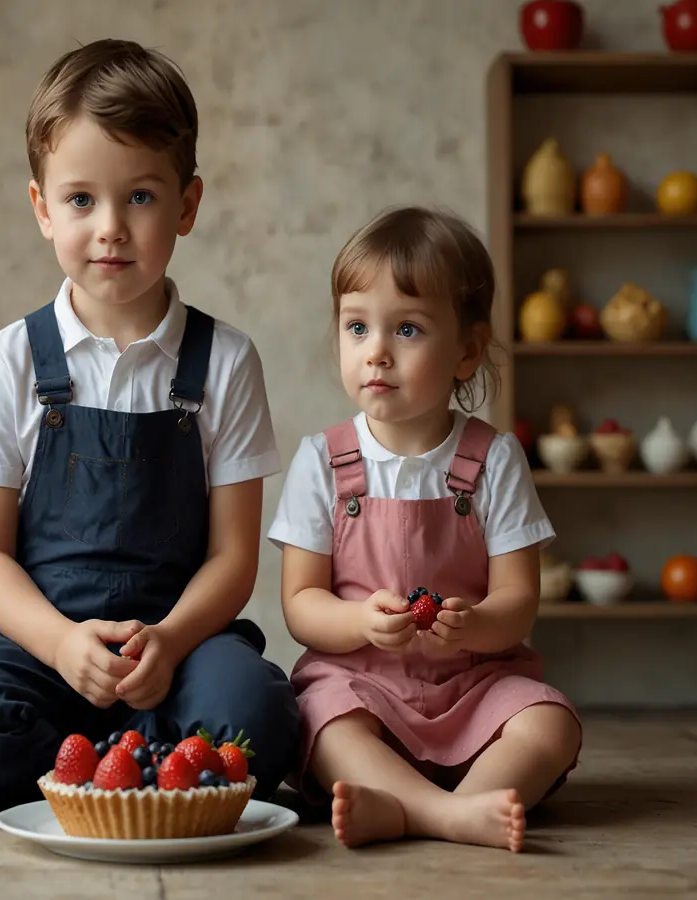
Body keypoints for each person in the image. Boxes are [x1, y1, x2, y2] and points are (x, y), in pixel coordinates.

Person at [0, 38, 300, 821]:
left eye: (141, 197)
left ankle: (113, 763)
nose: (110, 227)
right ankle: (133, 771)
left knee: (260, 721)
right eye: (81, 199)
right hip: (37, 642)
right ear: (42, 207)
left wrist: (175, 641)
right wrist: (57, 645)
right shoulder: (10, 359)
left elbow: (234, 557)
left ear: (187, 204)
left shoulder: (225, 361)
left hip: (177, 641)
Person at [267, 206, 582, 851]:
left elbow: (519, 600)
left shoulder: (494, 460)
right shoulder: (322, 461)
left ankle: (415, 809)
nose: (376, 352)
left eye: (407, 329)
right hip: (363, 686)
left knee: (552, 724)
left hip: (474, 684)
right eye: (357, 327)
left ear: (466, 350)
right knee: (319, 721)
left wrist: (476, 625)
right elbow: (300, 605)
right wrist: (359, 624)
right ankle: (454, 816)